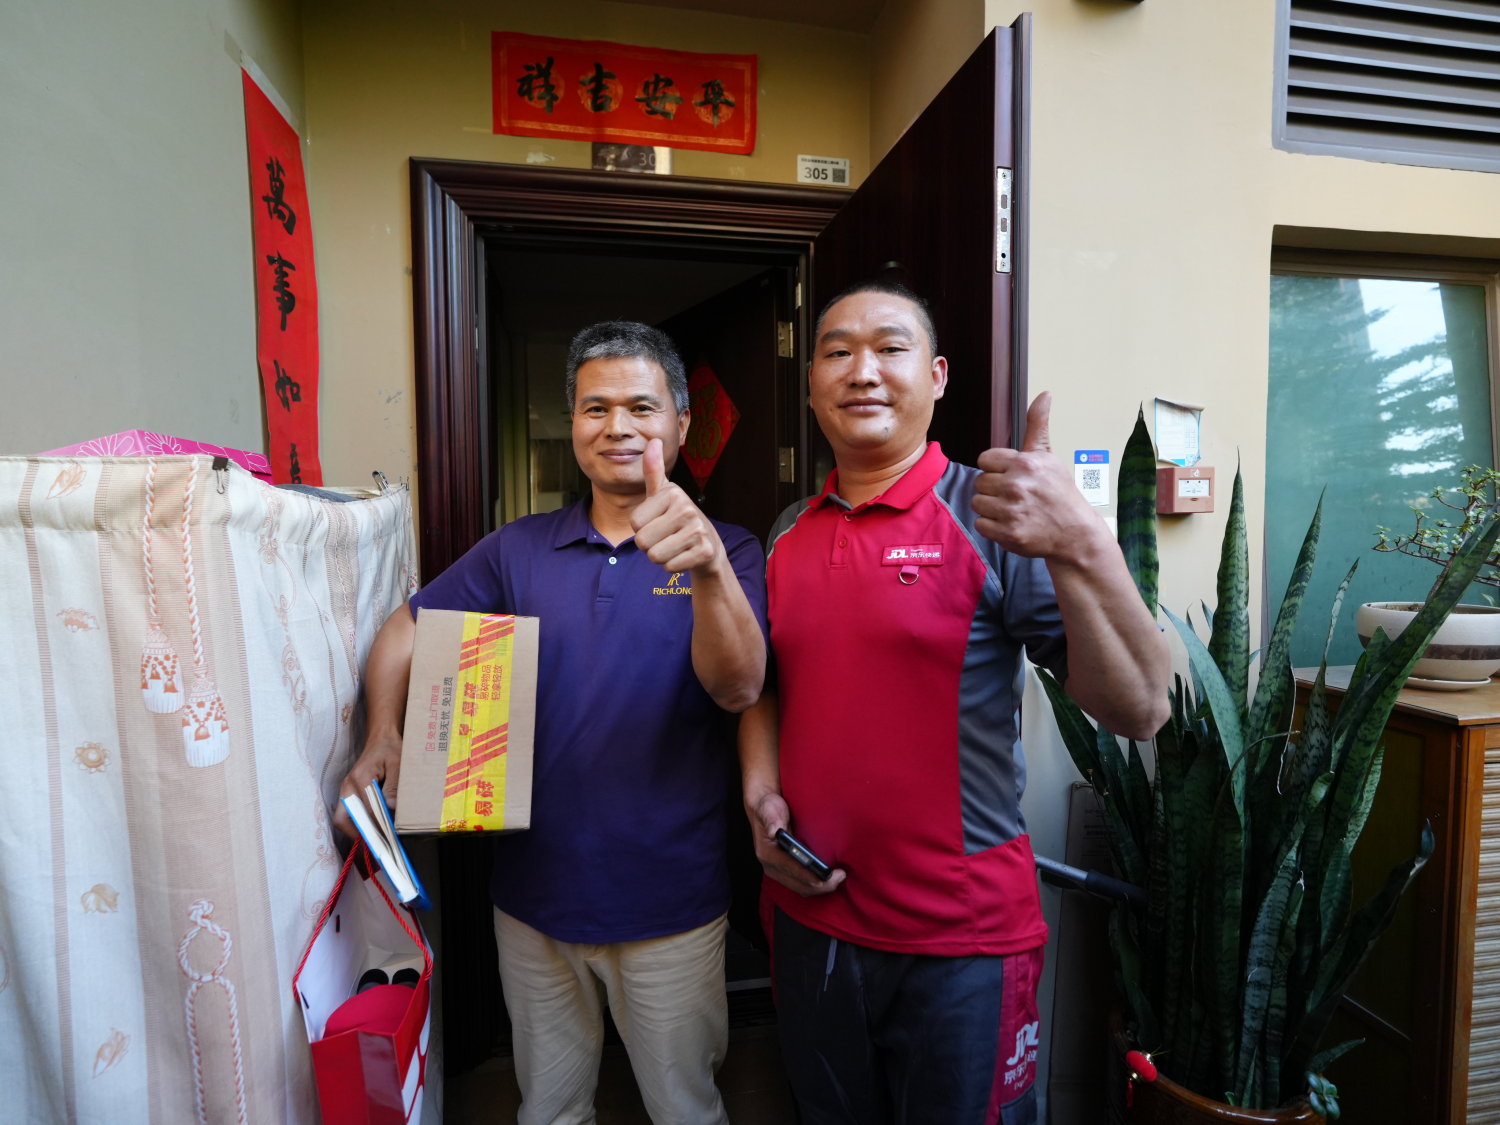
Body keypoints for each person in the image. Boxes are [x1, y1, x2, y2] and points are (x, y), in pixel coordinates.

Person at [739, 281, 1171, 1125]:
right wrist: (759, 795)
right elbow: (763, 681)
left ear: (936, 377)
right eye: (837, 351)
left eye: (889, 348)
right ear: (813, 385)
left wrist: (1082, 541)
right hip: (811, 921)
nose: (862, 369)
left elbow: (1140, 707)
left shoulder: (991, 515)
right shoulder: (788, 528)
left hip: (960, 941)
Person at [336, 321, 767, 1125]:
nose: (618, 426)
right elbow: (404, 628)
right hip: (533, 897)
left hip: (671, 900)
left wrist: (705, 565)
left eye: (641, 406)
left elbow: (739, 686)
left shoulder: (732, 549)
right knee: (550, 1108)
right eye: (595, 407)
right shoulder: (519, 549)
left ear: (681, 421)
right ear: (572, 423)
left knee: (685, 1108)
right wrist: (382, 732)